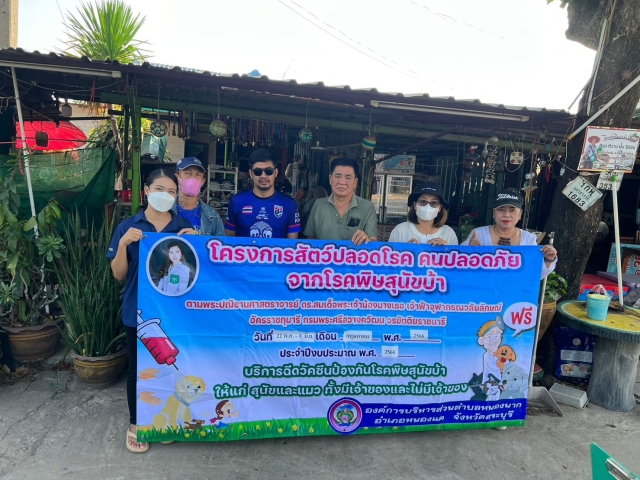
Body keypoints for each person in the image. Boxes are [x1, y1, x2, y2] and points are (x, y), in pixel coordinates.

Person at [107, 168, 195, 454]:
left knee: (168, 369)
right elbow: (118, 274)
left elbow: (196, 274)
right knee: (138, 369)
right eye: (159, 189)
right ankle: (136, 424)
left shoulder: (183, 226)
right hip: (138, 311)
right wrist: (123, 244)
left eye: (171, 192)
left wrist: (197, 242)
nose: (165, 195)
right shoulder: (129, 227)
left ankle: (163, 421)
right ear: (146, 191)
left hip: (174, 313)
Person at [461, 187, 557, 278]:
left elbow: (533, 274)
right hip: (483, 289)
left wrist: (548, 259)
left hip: (514, 289)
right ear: (494, 213)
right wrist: (467, 252)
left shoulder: (528, 239)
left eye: (512, 210)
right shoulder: (478, 234)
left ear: (520, 214)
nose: (506, 215)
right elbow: (458, 267)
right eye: (501, 209)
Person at [225, 148, 300, 238]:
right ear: (251, 173)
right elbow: (229, 242)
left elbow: (292, 244)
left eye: (269, 171)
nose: (263, 176)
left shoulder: (289, 204)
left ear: (276, 172)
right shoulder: (236, 202)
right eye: (258, 172)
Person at [304, 156, 378, 245]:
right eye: (338, 176)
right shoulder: (318, 205)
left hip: (353, 254)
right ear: (330, 179)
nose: (342, 182)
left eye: (348, 177)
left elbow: (373, 242)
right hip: (325, 254)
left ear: (355, 183)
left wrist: (365, 238)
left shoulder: (367, 207)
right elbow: (310, 238)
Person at [388, 182, 458, 246]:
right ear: (415, 205)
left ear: (440, 208)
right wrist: (405, 250)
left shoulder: (448, 233)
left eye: (433, 203)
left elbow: (456, 255)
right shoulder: (400, 231)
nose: (427, 206)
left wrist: (446, 250)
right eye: (423, 201)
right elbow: (388, 254)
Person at [171, 157, 224, 236]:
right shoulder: (165, 212)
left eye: (198, 175)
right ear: (177, 177)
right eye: (187, 173)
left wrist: (198, 239)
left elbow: (220, 243)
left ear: (203, 181)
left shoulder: (213, 216)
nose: (193, 179)